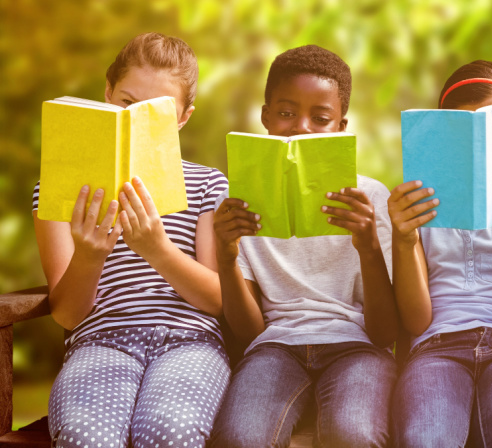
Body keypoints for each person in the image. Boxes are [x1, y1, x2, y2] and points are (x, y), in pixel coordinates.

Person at [34, 32, 230, 448]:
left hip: (188, 342)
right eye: (126, 102)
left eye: (155, 111)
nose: (136, 115)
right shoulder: (57, 187)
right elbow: (67, 315)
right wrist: (89, 256)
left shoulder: (209, 184)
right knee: (86, 438)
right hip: (100, 340)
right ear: (107, 94)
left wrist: (158, 249)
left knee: (170, 432)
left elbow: (217, 299)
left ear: (182, 117)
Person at [208, 44, 398, 448]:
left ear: (341, 127)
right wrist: (226, 259)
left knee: (354, 435)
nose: (302, 127)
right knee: (239, 438)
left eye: (321, 118)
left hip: (356, 347)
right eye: (286, 112)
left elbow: (384, 332)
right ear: (265, 117)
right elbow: (248, 330)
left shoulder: (369, 197)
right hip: (275, 346)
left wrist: (367, 248)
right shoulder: (235, 199)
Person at [389, 60, 492, 447]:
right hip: (436, 346)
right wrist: (404, 240)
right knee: (426, 439)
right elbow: (416, 321)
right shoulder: (417, 202)